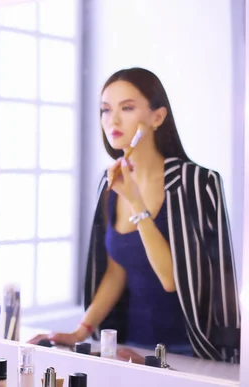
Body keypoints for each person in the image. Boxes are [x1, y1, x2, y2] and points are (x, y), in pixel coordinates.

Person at [29, 67, 241, 363]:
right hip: (131, 348)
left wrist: (136, 202)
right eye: (105, 110)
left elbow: (171, 278)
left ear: (157, 117)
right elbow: (117, 270)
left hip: (191, 352)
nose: (112, 120)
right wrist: (80, 332)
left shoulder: (195, 182)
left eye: (126, 108)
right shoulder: (110, 182)